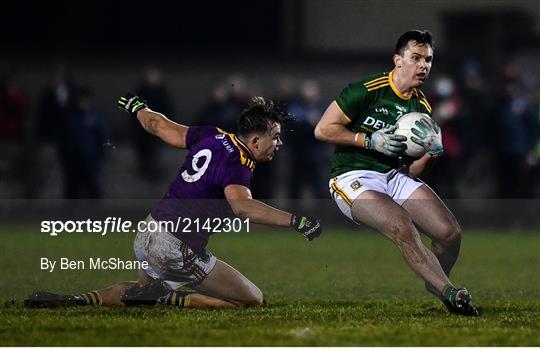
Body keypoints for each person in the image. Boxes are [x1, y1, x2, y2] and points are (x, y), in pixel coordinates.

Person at [25, 94, 322, 309]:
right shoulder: (239, 161)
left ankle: (78, 300)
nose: (279, 144)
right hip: (176, 248)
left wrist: (137, 106)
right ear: (256, 141)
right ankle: (172, 298)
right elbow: (242, 206)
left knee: (139, 293)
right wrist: (297, 221)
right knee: (251, 299)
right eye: (276, 138)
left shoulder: (212, 135)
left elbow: (158, 126)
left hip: (148, 233)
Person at [314, 30, 479, 316]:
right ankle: (449, 291)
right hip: (352, 176)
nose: (423, 65)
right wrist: (367, 140)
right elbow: (322, 129)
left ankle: (435, 280)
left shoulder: (421, 107)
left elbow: (414, 170)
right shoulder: (367, 89)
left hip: (393, 175)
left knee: (449, 233)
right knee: (401, 224)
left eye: (428, 59)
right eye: (415, 58)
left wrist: (433, 153)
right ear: (397, 60)